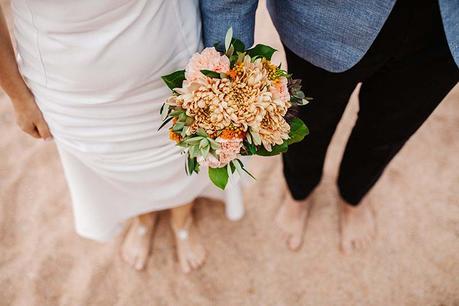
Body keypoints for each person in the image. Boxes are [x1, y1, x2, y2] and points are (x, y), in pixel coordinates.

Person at [0, 0, 243, 273]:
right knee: (113, 159)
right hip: (63, 71)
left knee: (184, 145)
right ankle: (143, 217)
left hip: (165, 40)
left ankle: (182, 218)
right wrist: (19, 97)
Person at [201, 0, 459, 253]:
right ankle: (299, 190)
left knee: (390, 129)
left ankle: (353, 194)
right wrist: (226, 78)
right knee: (307, 124)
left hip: (445, 32)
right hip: (325, 23)